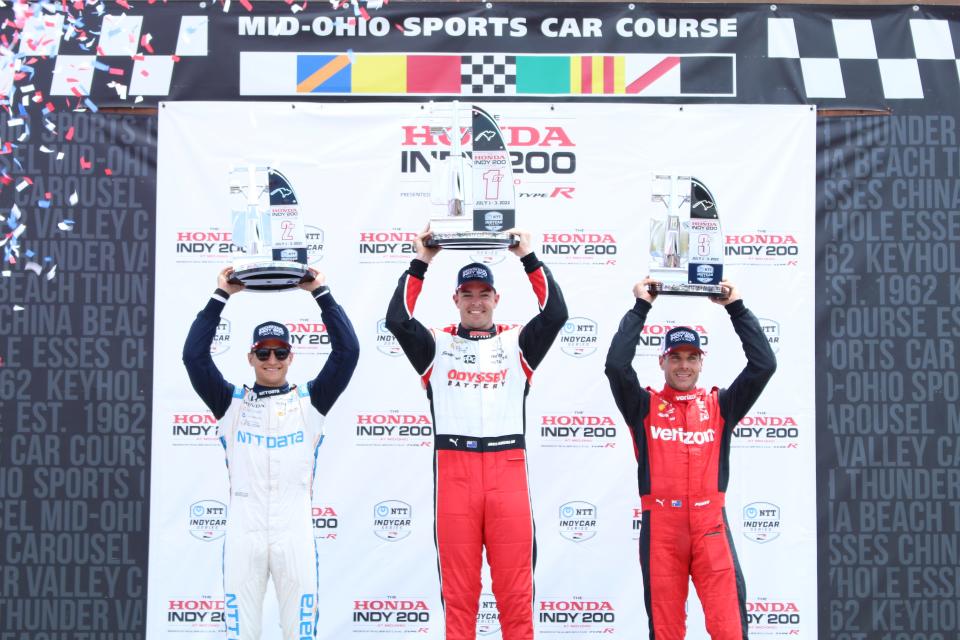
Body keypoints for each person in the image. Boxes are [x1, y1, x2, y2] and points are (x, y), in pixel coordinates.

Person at [385, 228, 567, 640]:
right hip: (455, 474)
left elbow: (556, 314)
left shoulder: (517, 340)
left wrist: (528, 256)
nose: (476, 301)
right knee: (460, 599)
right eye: (467, 294)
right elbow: (397, 319)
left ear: (496, 299)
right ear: (456, 300)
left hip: (508, 472)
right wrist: (422, 261)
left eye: (484, 293)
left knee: (516, 599)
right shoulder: (437, 344)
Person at [183, 266, 359, 640]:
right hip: (244, 533)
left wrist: (320, 292)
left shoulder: (311, 402)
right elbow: (194, 358)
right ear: (251, 357)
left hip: (293, 531)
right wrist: (221, 296)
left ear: (291, 357)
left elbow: (348, 352)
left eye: (280, 352)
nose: (272, 360)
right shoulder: (229, 404)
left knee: (300, 634)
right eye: (263, 352)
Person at [604, 277, 776, 640]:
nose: (684, 366)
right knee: (666, 631)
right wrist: (641, 307)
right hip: (661, 529)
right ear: (663, 360)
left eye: (691, 358)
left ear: (701, 363)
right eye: (677, 358)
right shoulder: (644, 406)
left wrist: (736, 307)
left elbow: (763, 365)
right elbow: (616, 367)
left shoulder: (722, 405)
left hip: (710, 526)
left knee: (729, 629)